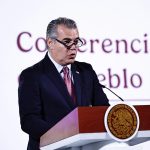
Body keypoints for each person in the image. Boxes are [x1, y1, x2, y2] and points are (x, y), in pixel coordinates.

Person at [18, 17, 109, 150]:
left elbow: (103, 109)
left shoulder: (86, 71)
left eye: (76, 42)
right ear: (50, 42)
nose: (73, 48)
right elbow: (29, 120)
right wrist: (65, 136)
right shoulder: (32, 75)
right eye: (67, 42)